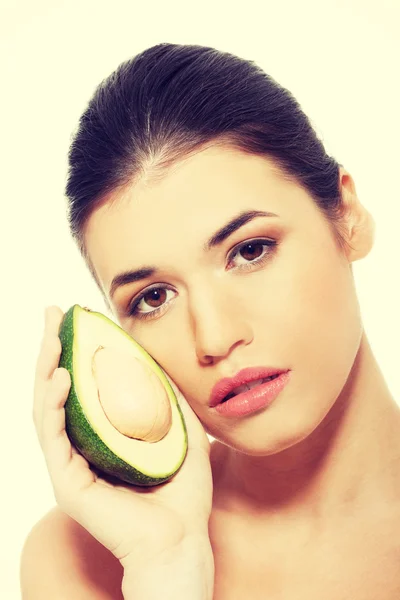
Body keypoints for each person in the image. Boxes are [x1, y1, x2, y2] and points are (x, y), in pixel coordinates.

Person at [20, 42, 400, 599]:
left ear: (347, 216)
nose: (215, 338)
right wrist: (168, 568)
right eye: (153, 298)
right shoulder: (82, 563)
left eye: (249, 251)